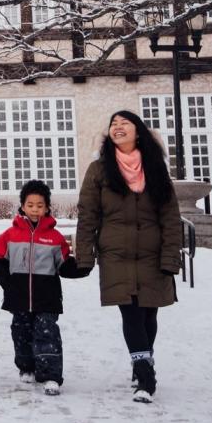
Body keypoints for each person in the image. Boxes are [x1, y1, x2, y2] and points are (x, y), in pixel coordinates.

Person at [74, 110, 183, 404]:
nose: (117, 127)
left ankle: (142, 361)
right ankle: (145, 374)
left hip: (152, 253)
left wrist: (171, 256)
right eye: (113, 124)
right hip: (116, 255)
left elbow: (171, 217)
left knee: (149, 313)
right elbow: (87, 215)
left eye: (125, 123)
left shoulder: (155, 168)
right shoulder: (99, 170)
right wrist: (83, 256)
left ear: (139, 132)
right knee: (131, 312)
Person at [0, 179, 82, 396]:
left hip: (47, 297)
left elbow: (64, 264)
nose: (35, 209)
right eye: (30, 205)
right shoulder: (10, 235)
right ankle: (27, 367)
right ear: (22, 206)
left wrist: (83, 267)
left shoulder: (54, 237)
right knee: (21, 332)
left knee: (47, 334)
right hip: (19, 296)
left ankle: (51, 375)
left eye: (39, 205)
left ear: (47, 208)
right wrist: (7, 284)